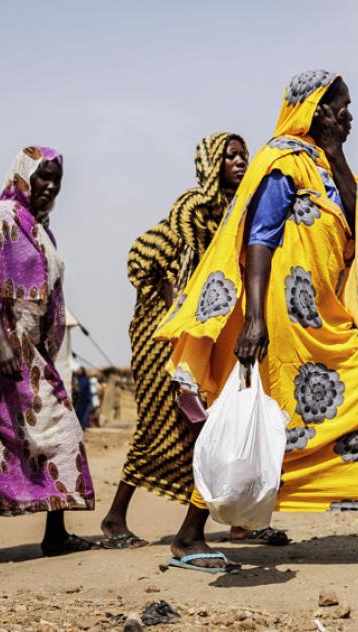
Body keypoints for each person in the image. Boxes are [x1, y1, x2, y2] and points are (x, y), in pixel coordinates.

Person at [154, 71, 358, 572]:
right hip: (279, 320)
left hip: (321, 319)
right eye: (341, 106)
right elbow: (259, 238)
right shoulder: (283, 163)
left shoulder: (329, 170)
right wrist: (253, 318)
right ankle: (189, 535)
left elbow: (355, 221)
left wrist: (336, 153)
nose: (351, 114)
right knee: (258, 419)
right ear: (317, 110)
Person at [101, 133, 289, 549]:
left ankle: (239, 521)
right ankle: (115, 518)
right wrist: (176, 304)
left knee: (215, 425)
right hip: (163, 334)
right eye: (230, 156)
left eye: (243, 155)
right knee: (161, 425)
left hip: (208, 334)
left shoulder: (237, 211)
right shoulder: (193, 208)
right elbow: (140, 256)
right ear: (210, 163)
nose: (239, 162)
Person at [0, 146, 95, 567]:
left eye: (56, 181)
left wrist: (38, 345)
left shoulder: (43, 232)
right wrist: (1, 343)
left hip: (30, 351)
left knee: (61, 432)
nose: (49, 187)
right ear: (23, 176)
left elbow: (49, 297)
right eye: (42, 177)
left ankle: (56, 534)